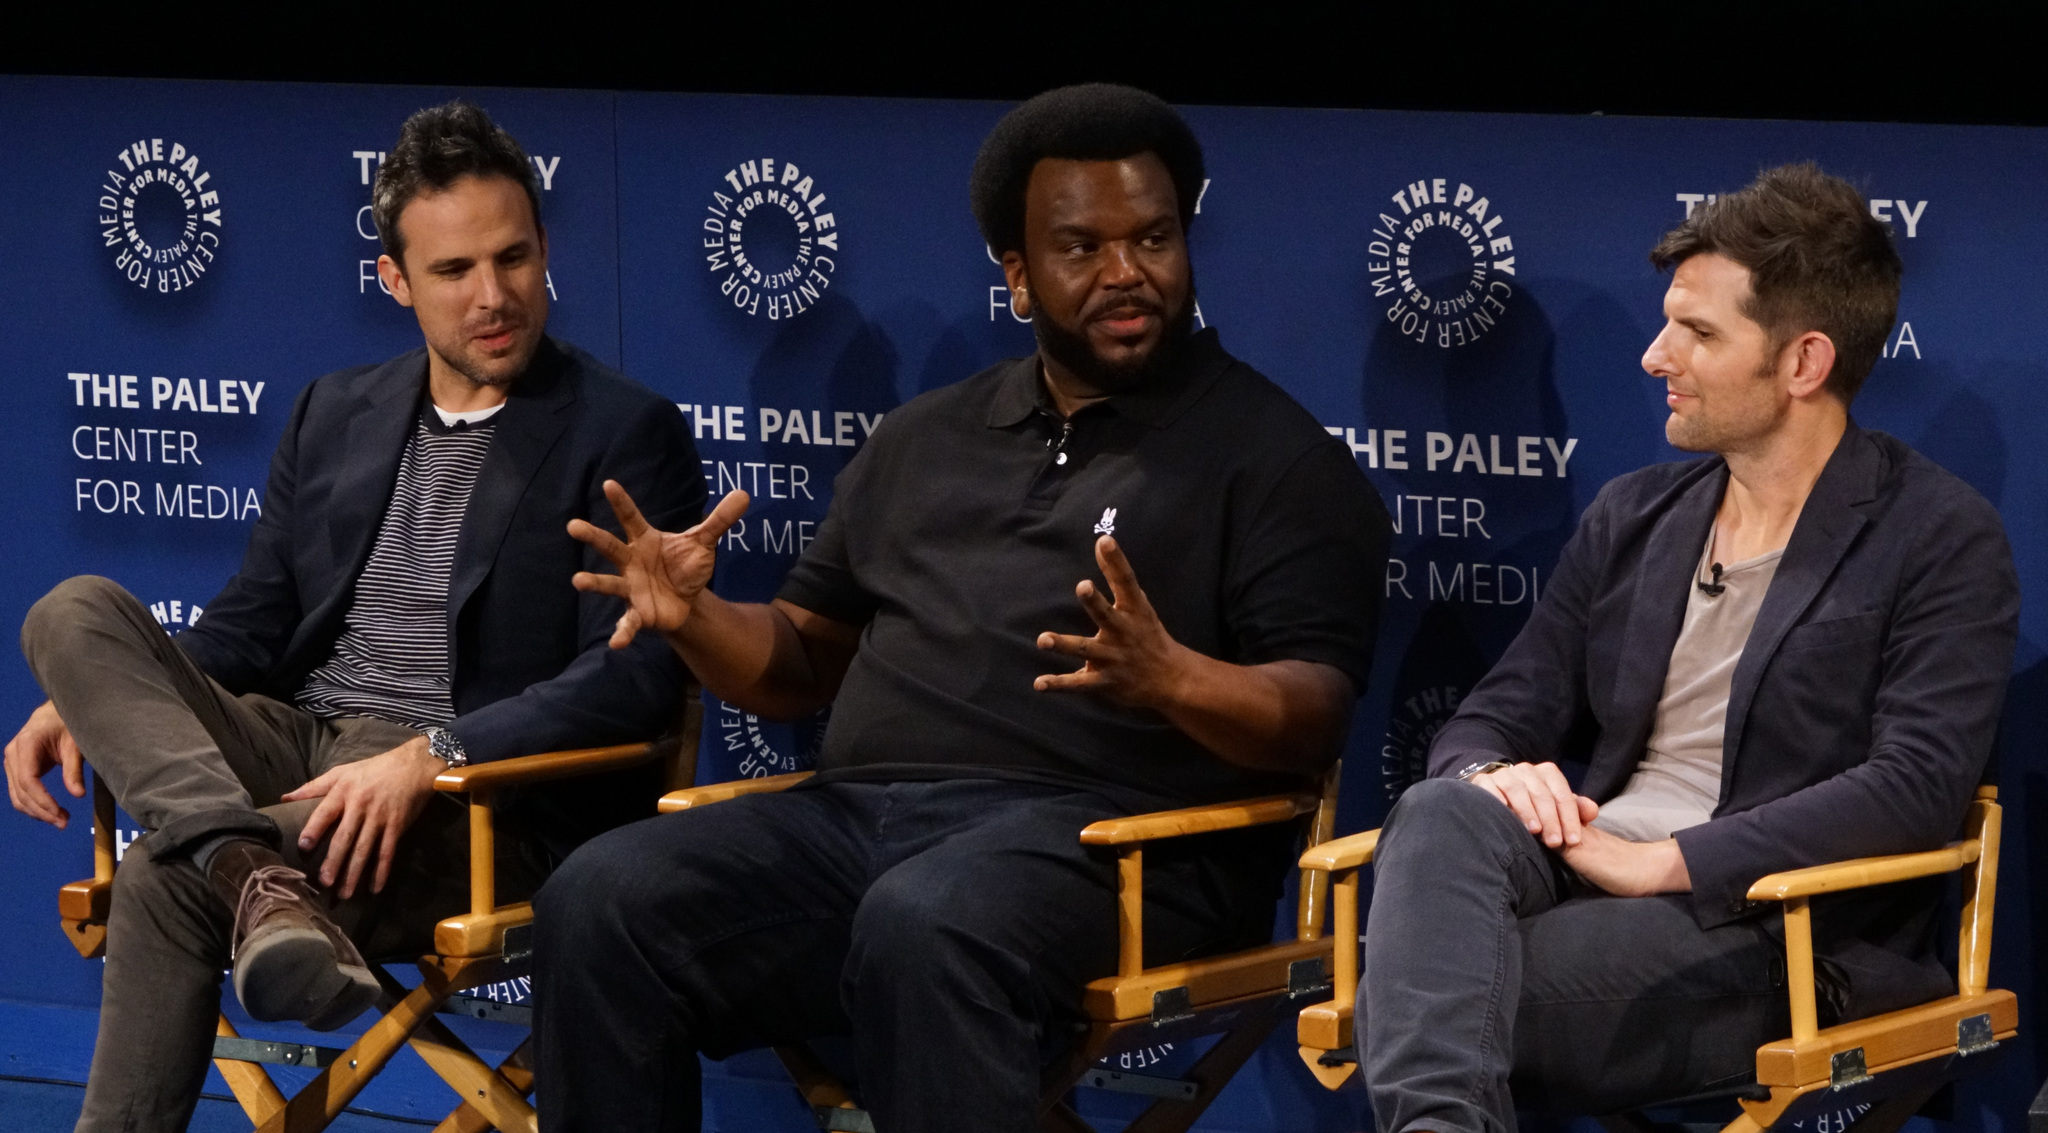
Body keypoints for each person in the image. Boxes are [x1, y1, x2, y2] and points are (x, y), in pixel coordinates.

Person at [531, 84, 1391, 1133]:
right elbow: (799, 661)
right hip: (858, 823)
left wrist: (1174, 676)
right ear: (1018, 278)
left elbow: (1311, 714)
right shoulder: (921, 438)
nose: (1127, 273)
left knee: (929, 920)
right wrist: (698, 618)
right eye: (1082, 247)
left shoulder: (1278, 460)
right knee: (599, 897)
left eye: (1153, 237)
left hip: (1123, 849)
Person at [3, 101, 703, 1133]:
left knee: (165, 873)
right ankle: (253, 870)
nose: (494, 295)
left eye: (513, 258)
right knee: (72, 614)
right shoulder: (337, 409)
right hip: (299, 748)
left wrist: (431, 751)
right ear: (395, 281)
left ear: (546, 252)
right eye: (455, 270)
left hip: (474, 803)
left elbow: (634, 679)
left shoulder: (622, 430)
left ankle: (229, 866)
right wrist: (110, 693)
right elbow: (248, 622)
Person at [1357, 163, 2020, 1133]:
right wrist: (1495, 772)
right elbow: (1491, 714)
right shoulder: (1632, 514)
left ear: (1800, 362)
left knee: (1426, 994)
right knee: (1438, 808)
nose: (1652, 354)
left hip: (1772, 929)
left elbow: (1915, 783)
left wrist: (1670, 858)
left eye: (1696, 332)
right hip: (1586, 861)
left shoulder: (1936, 534)